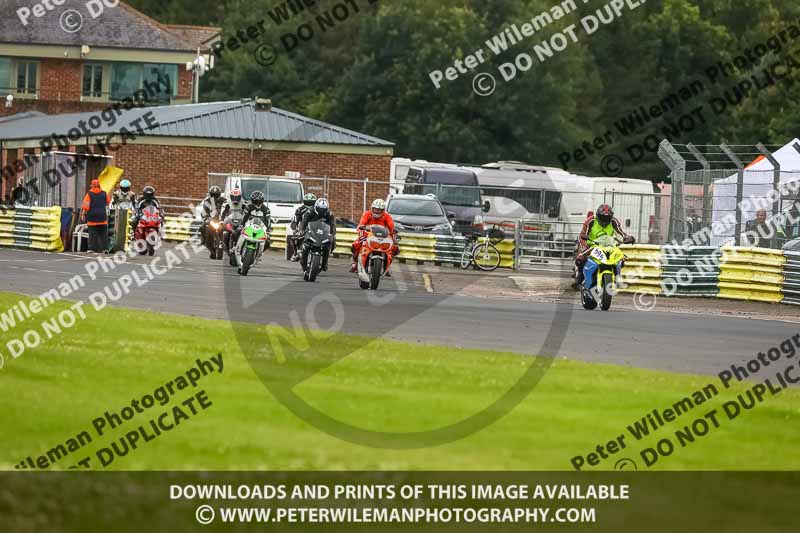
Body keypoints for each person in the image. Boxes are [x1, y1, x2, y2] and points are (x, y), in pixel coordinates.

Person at [574, 204, 634, 287]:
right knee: (580, 258)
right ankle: (580, 275)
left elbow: (621, 232)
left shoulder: (614, 221)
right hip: (592, 245)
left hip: (609, 246)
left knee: (622, 258)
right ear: (598, 216)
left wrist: (627, 238)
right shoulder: (590, 220)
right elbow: (583, 235)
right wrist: (585, 247)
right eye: (603, 218)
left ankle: (617, 275)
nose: (605, 220)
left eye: (607, 218)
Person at [350, 198, 398, 274]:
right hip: (368, 234)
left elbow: (392, 228)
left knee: (395, 248)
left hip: (383, 237)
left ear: (383, 210)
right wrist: (361, 232)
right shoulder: (367, 214)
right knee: (356, 244)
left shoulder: (387, 216)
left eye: (379, 210)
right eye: (375, 209)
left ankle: (386, 266)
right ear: (372, 208)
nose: (377, 211)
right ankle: (354, 262)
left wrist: (394, 236)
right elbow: (361, 225)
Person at [298, 197, 336, 272]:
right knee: (300, 236)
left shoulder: (329, 214)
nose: (322, 212)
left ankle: (325, 262)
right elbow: (304, 222)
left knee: (332, 241)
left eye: (324, 210)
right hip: (310, 230)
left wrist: (332, 234)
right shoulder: (310, 212)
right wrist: (301, 230)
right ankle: (299, 251)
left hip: (323, 232)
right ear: (316, 207)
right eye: (320, 209)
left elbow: (333, 225)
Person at [80, 179, 111, 253]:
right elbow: (108, 202)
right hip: (102, 217)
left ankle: (91, 249)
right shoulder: (104, 193)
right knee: (103, 234)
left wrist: (83, 214)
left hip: (92, 217)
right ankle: (105, 249)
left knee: (92, 234)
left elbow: (85, 206)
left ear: (92, 185)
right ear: (99, 185)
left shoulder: (89, 194)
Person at [290, 193, 318, 261]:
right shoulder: (300, 209)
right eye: (308, 202)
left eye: (311, 203)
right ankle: (296, 253)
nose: (309, 205)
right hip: (304, 228)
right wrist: (295, 229)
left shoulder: (318, 210)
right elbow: (294, 221)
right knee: (294, 238)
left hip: (316, 228)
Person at [220, 188, 245, 253]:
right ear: (231, 197)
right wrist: (222, 221)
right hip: (230, 221)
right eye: (234, 197)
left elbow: (247, 213)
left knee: (244, 232)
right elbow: (223, 213)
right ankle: (221, 243)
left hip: (240, 222)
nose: (235, 199)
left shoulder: (244, 203)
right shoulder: (226, 203)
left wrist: (246, 220)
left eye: (237, 197)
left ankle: (243, 248)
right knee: (224, 232)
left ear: (240, 197)